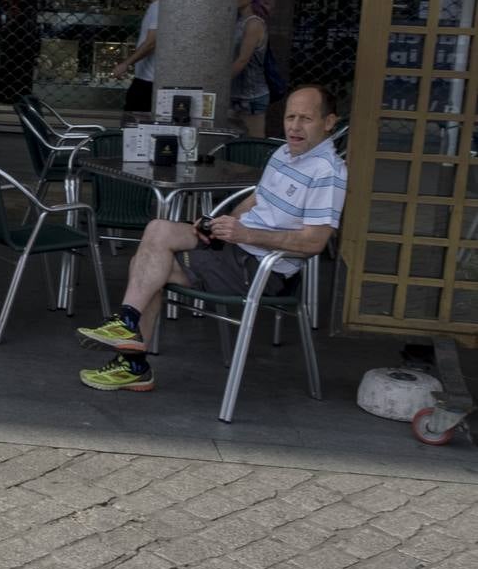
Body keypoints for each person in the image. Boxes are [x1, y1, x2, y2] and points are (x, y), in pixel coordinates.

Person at [73, 85, 343, 393]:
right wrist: (218, 224)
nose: (294, 126)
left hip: (260, 269)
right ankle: (128, 326)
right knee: (157, 231)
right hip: (236, 249)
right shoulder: (285, 152)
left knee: (148, 266)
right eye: (290, 116)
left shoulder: (328, 173)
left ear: (329, 122)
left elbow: (314, 243)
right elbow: (255, 200)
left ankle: (133, 361)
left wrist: (247, 233)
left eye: (306, 118)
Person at [230, 0, 275, 138]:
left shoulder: (254, 24)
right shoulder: (239, 21)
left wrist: (220, 82)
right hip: (237, 92)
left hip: (251, 94)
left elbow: (243, 59)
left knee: (253, 143)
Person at [113, 0, 160, 120]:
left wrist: (126, 63)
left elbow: (152, 42)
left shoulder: (159, 7)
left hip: (147, 81)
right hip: (145, 79)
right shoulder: (155, 7)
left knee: (132, 129)